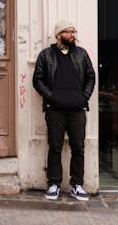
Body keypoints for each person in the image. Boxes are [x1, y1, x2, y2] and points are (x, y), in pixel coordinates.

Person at [33, 20, 96, 201]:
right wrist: (50, 97)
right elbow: (37, 80)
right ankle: (54, 184)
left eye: (73, 32)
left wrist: (84, 97)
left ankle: (77, 185)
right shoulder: (46, 55)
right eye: (68, 32)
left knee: (78, 147)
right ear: (58, 35)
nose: (72, 35)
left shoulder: (81, 54)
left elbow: (91, 77)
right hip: (55, 110)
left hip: (77, 109)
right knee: (55, 147)